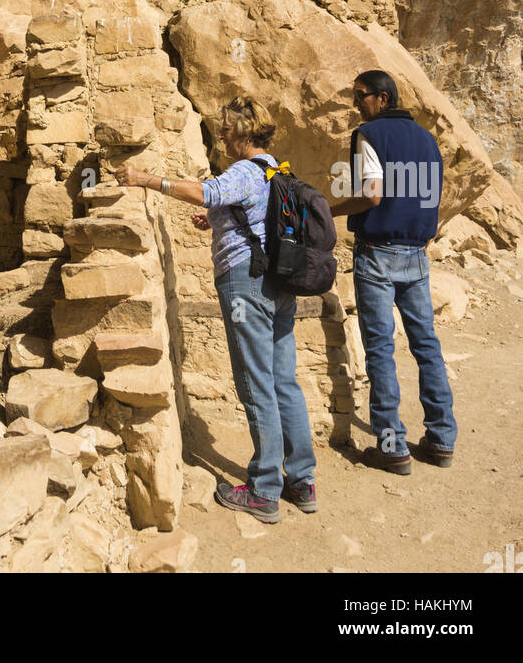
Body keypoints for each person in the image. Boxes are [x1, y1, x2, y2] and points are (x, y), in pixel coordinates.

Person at [115, 95, 316, 524]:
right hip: (279, 284)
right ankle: (302, 479)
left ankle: (264, 491)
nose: (220, 136)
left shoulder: (243, 170)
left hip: (246, 283)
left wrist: (145, 179)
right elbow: (254, 214)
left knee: (255, 383)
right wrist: (220, 218)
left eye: (225, 129)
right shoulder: (275, 168)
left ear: (243, 132)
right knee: (284, 380)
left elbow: (205, 191)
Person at [328, 69, 457, 473]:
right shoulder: (427, 139)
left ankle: (392, 445)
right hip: (416, 254)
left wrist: (326, 208)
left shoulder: (371, 135)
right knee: (426, 346)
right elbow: (432, 194)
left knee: (381, 348)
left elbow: (371, 195)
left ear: (383, 98)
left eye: (360, 95)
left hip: (379, 253)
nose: (356, 104)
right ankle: (441, 440)